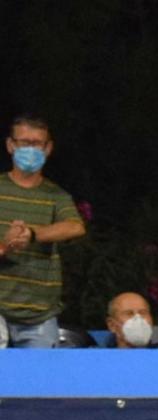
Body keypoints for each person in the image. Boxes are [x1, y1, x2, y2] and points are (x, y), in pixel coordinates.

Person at [0, 115, 87, 348]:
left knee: (37, 383)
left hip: (39, 315)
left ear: (48, 148)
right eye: (24, 143)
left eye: (37, 143)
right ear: (10, 145)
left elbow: (75, 226)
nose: (30, 149)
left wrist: (33, 234)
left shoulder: (57, 195)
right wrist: (5, 245)